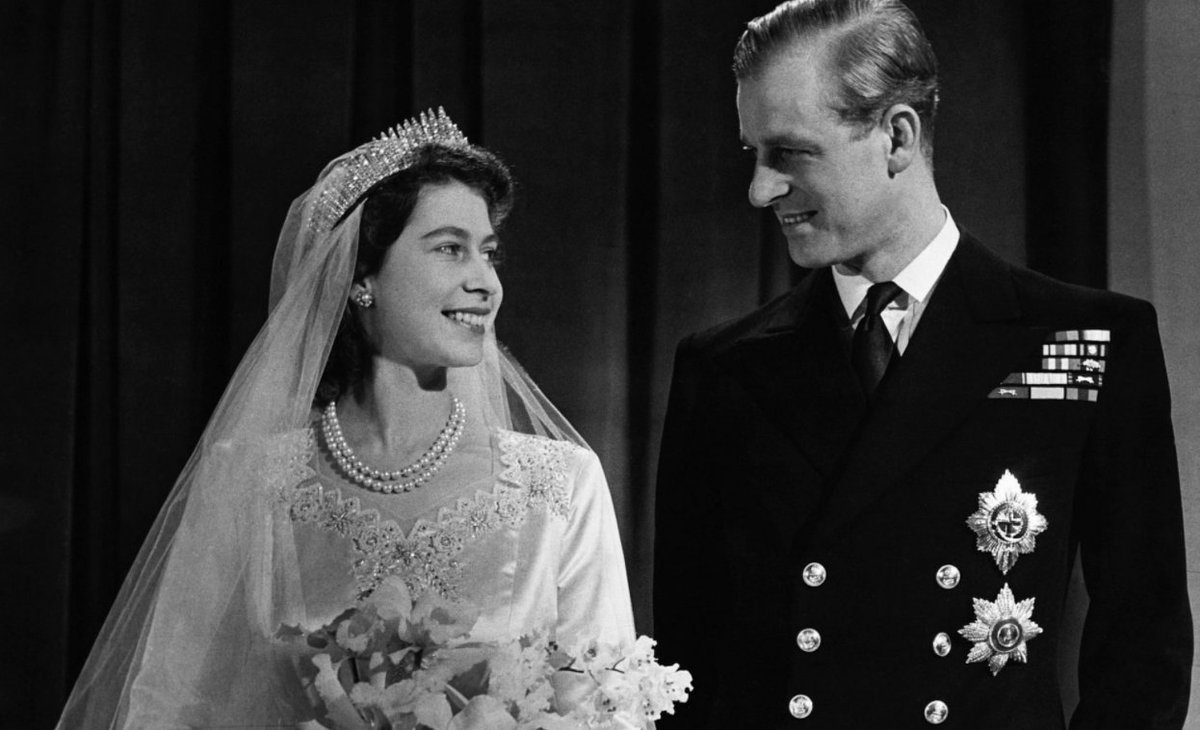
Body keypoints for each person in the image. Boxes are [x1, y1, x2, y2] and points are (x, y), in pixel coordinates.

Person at [652, 1, 1192, 727]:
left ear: (898, 137)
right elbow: (686, 669)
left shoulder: (1083, 342)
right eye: (754, 152)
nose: (760, 188)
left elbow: (1145, 646)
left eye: (791, 153)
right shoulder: (721, 370)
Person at [58, 109, 637, 728]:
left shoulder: (559, 487)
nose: (486, 284)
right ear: (362, 275)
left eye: (489, 254)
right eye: (450, 249)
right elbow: (167, 707)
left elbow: (612, 711)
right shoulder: (246, 482)